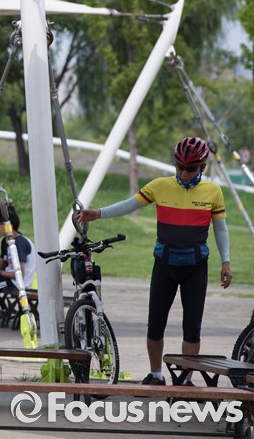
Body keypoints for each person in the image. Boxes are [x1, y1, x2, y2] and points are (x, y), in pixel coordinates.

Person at [76, 136, 232, 386]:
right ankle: (156, 374)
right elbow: (129, 205)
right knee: (155, 325)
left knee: (192, 328)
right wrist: (97, 213)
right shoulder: (159, 186)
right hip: (164, 266)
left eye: (191, 168)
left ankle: (185, 380)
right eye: (180, 167)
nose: (184, 173)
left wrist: (226, 262)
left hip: (195, 268)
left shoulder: (213, 191)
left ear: (202, 167)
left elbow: (220, 229)